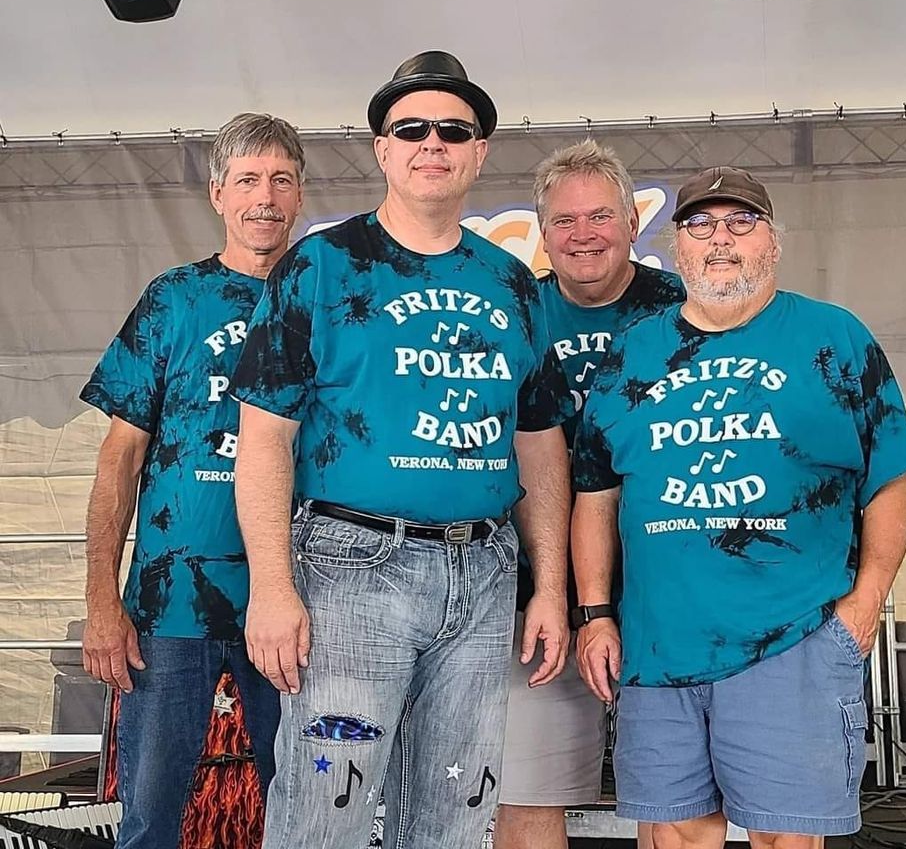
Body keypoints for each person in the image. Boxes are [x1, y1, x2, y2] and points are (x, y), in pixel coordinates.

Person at [230, 50, 573, 849]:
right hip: (350, 568)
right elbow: (264, 437)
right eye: (409, 127)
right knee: (327, 813)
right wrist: (273, 589)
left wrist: (548, 585)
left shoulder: (515, 284)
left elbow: (541, 442)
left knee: (460, 813)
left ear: (479, 152)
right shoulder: (322, 264)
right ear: (382, 148)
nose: (432, 142)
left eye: (453, 130)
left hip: (484, 573)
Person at [573, 166, 906, 849]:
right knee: (675, 834)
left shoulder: (833, 338)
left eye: (742, 222)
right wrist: (595, 612)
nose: (721, 239)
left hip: (793, 636)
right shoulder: (632, 353)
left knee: (784, 838)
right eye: (701, 224)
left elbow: (891, 477)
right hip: (658, 645)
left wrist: (868, 600)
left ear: (773, 242)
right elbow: (595, 492)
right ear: (677, 248)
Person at [80, 113, 305, 849]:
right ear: (217, 193)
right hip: (168, 600)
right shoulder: (174, 299)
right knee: (149, 815)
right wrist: (101, 602)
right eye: (247, 180)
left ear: (301, 192)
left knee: (307, 808)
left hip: (297, 603)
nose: (264, 197)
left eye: (280, 179)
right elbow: (119, 458)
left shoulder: (325, 302)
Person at [495, 140, 683, 849]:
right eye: (565, 221)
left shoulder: (684, 311)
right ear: (542, 232)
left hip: (664, 589)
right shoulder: (515, 314)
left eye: (600, 216)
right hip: (535, 588)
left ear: (633, 223)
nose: (583, 235)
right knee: (527, 791)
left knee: (675, 801)